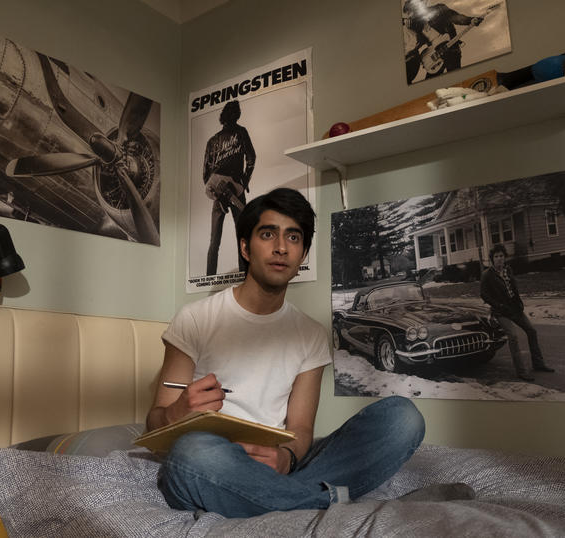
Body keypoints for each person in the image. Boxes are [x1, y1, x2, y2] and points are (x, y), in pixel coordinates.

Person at [148, 188, 468, 519]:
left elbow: (300, 429)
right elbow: (155, 421)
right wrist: (179, 411)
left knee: (403, 417)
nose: (281, 247)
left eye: (293, 237)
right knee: (191, 454)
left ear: (302, 255)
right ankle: (359, 508)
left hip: (277, 467)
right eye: (268, 234)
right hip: (213, 459)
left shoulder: (311, 335)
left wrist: (286, 456)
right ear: (245, 247)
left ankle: (284, 498)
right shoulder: (195, 318)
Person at [480, 244, 554, 382]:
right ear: (492, 259)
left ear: (505, 257)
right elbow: (484, 294)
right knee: (513, 337)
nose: (499, 259)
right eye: (496, 256)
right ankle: (521, 371)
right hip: (501, 312)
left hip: (514, 309)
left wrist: (519, 302)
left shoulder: (508, 270)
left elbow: (513, 288)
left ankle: (538, 364)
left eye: (501, 256)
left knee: (532, 331)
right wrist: (498, 305)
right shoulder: (487, 275)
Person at [202, 99, 256, 275]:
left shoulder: (212, 140)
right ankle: (244, 276)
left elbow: (205, 172)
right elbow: (251, 158)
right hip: (235, 189)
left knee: (214, 240)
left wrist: (216, 192)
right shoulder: (241, 133)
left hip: (218, 189)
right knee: (243, 237)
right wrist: (244, 181)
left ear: (222, 117)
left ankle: (209, 277)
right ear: (237, 115)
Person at [402, 0, 484, 82]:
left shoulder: (439, 9)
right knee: (430, 83)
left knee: (456, 80)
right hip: (435, 57)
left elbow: (455, 17)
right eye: (409, 14)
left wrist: (470, 20)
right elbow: (414, 44)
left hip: (451, 51)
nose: (412, 16)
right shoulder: (417, 25)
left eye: (412, 12)